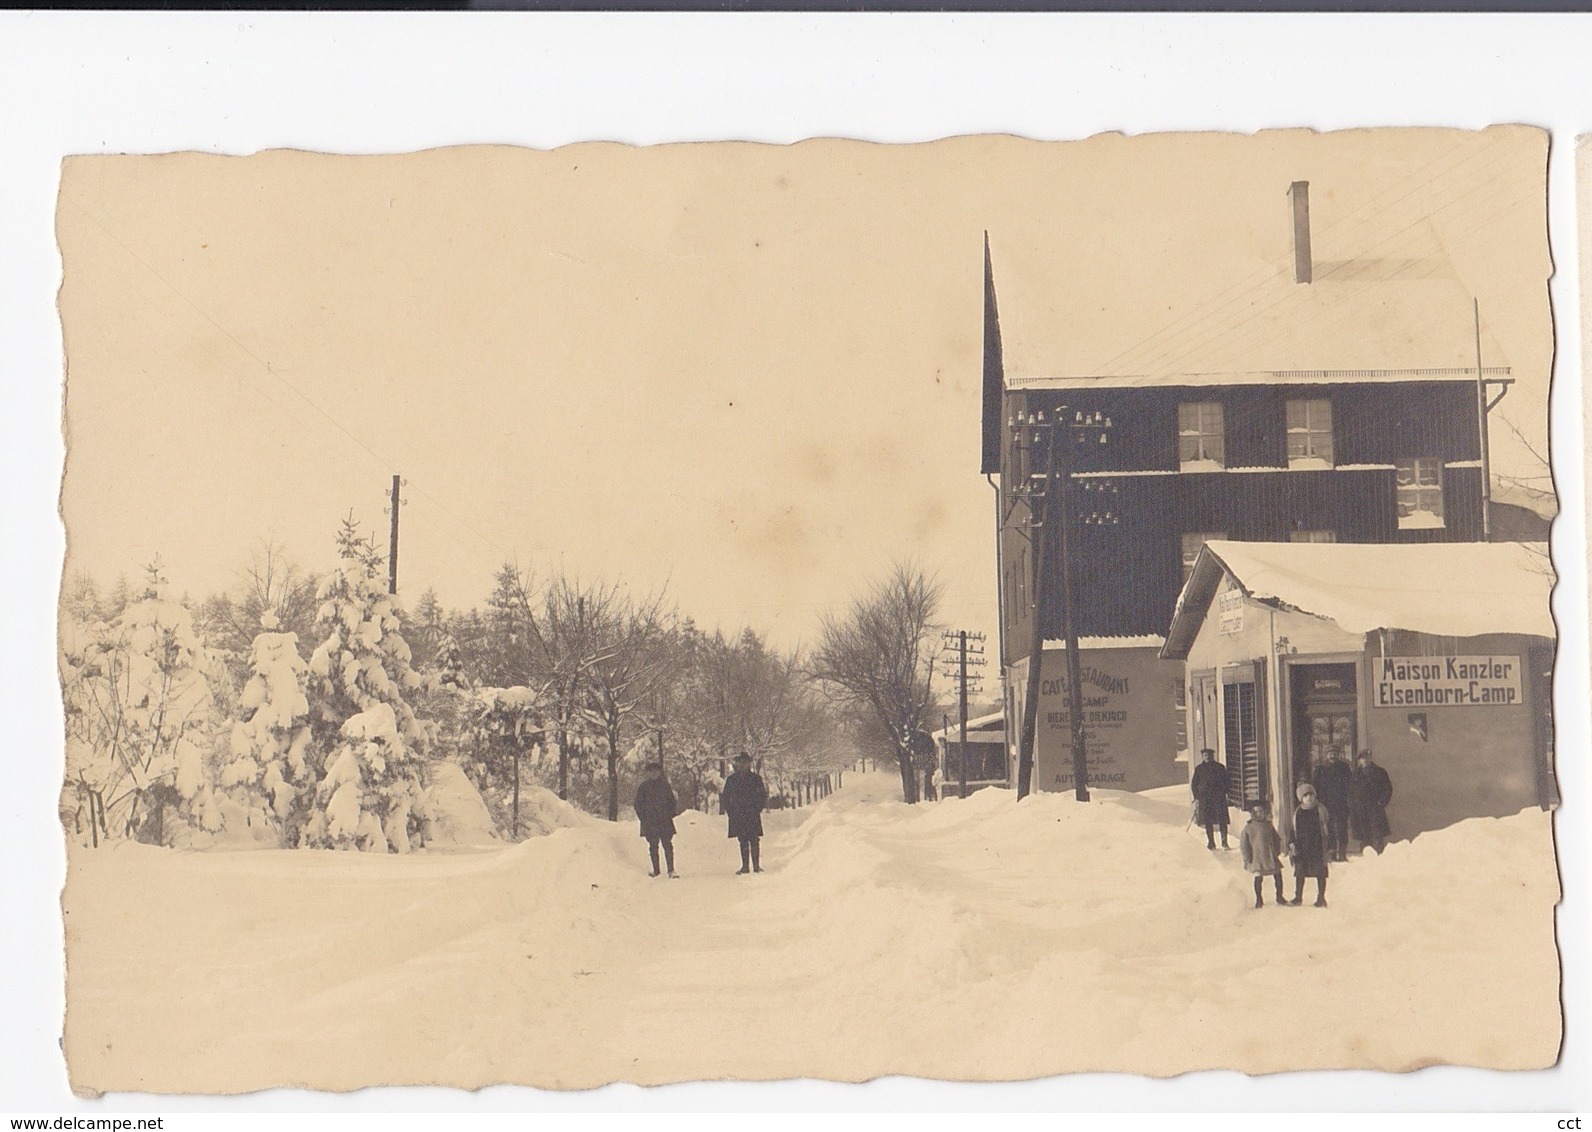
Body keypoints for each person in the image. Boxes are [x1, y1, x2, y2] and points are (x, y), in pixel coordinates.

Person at [721, 751, 769, 875]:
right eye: (740, 762)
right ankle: (745, 866)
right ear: (736, 764)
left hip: (752, 814)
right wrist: (730, 811)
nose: (742, 765)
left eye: (745, 762)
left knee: (754, 839)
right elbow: (726, 797)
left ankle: (756, 866)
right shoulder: (731, 780)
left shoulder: (756, 779)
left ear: (749, 764)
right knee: (742, 840)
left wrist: (757, 808)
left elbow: (762, 795)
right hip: (738, 814)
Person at [1287, 782, 1330, 907]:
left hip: (1317, 847)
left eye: (1311, 794)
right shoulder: (1298, 813)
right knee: (1300, 874)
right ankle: (1298, 897)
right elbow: (1293, 830)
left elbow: (1328, 828)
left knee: (1320, 874)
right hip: (1302, 848)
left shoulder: (1320, 810)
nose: (1309, 798)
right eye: (1305, 795)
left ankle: (1321, 898)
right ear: (1301, 798)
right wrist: (1292, 843)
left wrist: (1329, 847)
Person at [633, 761, 678, 878]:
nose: (654, 774)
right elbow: (638, 804)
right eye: (651, 771)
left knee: (667, 845)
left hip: (664, 821)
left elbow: (672, 802)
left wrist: (669, 814)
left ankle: (671, 870)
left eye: (656, 771)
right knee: (653, 846)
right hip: (650, 823)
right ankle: (656, 870)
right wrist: (644, 818)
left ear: (659, 772)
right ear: (648, 773)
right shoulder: (643, 787)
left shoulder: (665, 786)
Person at [1238, 803, 1286, 908]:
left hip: (1270, 856)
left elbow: (1277, 839)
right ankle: (1259, 899)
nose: (1259, 814)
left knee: (1278, 875)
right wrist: (1247, 857)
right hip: (1257, 858)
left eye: (1261, 811)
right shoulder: (1248, 828)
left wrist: (1276, 851)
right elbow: (1243, 844)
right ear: (1252, 814)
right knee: (1258, 878)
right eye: (1256, 812)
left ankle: (1279, 896)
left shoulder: (1269, 825)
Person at [1349, 749, 1393, 855]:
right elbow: (1350, 792)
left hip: (1375, 809)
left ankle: (1379, 859)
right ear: (1359, 760)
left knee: (1377, 835)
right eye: (1363, 758)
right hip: (1360, 810)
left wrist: (1381, 803)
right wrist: (1353, 806)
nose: (1366, 760)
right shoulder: (1355, 774)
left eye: (1368, 757)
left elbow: (1388, 789)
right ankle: (1366, 859)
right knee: (1364, 837)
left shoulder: (1380, 772)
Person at [1313, 749, 1354, 862]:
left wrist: (1349, 800)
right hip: (1327, 804)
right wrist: (1318, 803)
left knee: (1342, 828)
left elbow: (1350, 785)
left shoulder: (1344, 768)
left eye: (1334, 754)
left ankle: (1342, 853)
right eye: (1330, 754)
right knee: (1329, 829)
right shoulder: (1320, 769)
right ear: (1326, 755)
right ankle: (1331, 852)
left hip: (1342, 804)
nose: (1332, 756)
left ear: (1338, 755)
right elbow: (1315, 786)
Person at [1190, 748, 1231, 850]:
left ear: (1213, 756)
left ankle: (1224, 842)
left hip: (1219, 798)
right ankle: (1211, 842)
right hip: (1206, 799)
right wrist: (1197, 797)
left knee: (1222, 820)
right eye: (1205, 755)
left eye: (1209, 755)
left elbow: (1227, 781)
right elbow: (1194, 784)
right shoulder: (1199, 769)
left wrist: (1224, 791)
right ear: (1202, 757)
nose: (1207, 757)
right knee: (1208, 821)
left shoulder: (1220, 767)